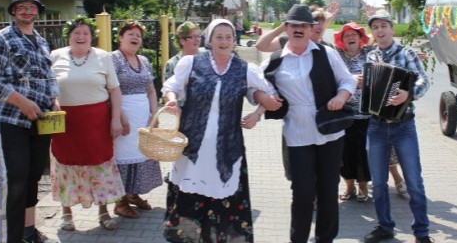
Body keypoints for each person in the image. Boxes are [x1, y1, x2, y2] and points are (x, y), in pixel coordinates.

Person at [161, 19, 282, 242]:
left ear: (234, 40)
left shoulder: (244, 69)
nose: (224, 42)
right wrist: (171, 101)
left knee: (223, 200)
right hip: (193, 145)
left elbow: (269, 93)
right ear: (209, 40)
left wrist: (257, 114)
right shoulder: (192, 63)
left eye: (228, 37)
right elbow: (172, 87)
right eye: (219, 37)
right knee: (190, 196)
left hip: (227, 147)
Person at [260, 4, 356, 243]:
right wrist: (264, 99)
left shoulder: (326, 53)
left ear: (312, 28)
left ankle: (325, 239)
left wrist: (340, 96)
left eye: (304, 25)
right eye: (294, 26)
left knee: (327, 191)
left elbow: (347, 80)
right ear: (287, 29)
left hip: (329, 132)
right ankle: (298, 239)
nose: (299, 30)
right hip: (297, 133)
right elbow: (256, 83)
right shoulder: (276, 58)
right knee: (302, 193)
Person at [0, 0, 59, 243]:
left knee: (32, 177)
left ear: (38, 11)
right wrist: (21, 102)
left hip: (40, 121)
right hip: (10, 120)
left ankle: (28, 232)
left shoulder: (42, 40)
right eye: (22, 6)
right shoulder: (0, 39)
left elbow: (49, 78)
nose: (27, 11)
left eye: (32, 6)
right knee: (13, 180)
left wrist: (55, 101)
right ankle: (8, 239)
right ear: (14, 11)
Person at [48, 15, 125, 231]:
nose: (81, 37)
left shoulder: (103, 57)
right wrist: (54, 102)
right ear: (69, 35)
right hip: (66, 122)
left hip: (97, 122)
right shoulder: (54, 56)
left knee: (99, 164)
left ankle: (103, 211)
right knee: (65, 165)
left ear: (92, 37)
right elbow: (48, 88)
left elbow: (114, 90)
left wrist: (116, 118)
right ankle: (66, 213)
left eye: (85, 33)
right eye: (76, 33)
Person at [362, 9, 432, 243]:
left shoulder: (406, 53)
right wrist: (361, 85)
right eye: (375, 27)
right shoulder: (372, 58)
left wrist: (408, 94)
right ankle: (385, 226)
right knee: (379, 182)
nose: (380, 31)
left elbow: (424, 79)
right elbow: (369, 88)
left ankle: (421, 232)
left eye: (383, 26)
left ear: (392, 28)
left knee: (414, 180)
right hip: (377, 126)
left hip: (403, 126)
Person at [255, 3, 340, 181]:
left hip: (324, 122)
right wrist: (285, 24)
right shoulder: (289, 43)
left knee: (324, 167)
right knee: (299, 169)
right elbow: (261, 46)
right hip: (296, 123)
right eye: (296, 24)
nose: (317, 26)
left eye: (319, 23)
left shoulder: (327, 50)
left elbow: (342, 79)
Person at [111, 21, 163, 219]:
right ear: (120, 38)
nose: (135, 38)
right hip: (123, 115)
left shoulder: (144, 60)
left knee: (140, 153)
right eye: (131, 34)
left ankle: (133, 193)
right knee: (122, 156)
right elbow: (110, 89)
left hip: (143, 117)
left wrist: (154, 114)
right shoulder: (114, 59)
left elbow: (151, 90)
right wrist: (121, 117)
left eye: (138, 36)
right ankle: (120, 201)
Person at [333, 22, 372, 203]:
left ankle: (363, 186)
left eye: (353, 35)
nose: (350, 38)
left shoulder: (369, 54)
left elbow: (386, 41)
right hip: (343, 113)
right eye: (346, 35)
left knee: (362, 152)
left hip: (365, 114)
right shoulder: (336, 55)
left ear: (360, 38)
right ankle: (349, 186)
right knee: (343, 152)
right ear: (341, 40)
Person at [255, 2, 340, 52]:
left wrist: (327, 19)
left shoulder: (327, 48)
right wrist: (283, 27)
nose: (321, 27)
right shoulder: (290, 42)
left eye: (323, 23)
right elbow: (260, 46)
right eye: (316, 23)